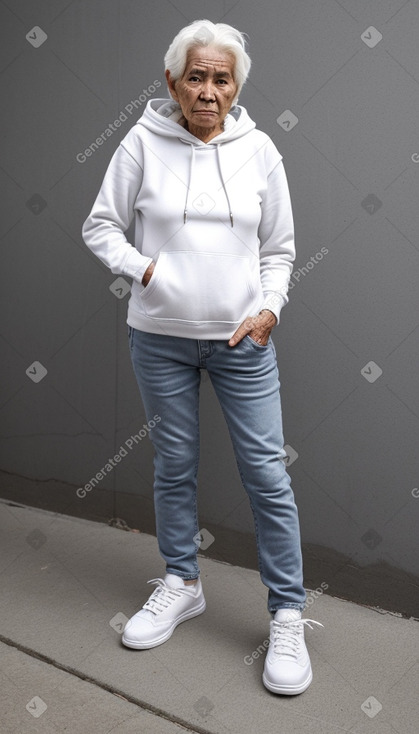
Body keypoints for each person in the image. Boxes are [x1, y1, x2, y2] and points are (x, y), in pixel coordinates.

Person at [82, 18, 322, 695]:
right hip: (158, 338)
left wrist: (269, 308)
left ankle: (286, 613)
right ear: (171, 81)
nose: (207, 90)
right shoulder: (140, 142)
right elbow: (99, 224)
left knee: (267, 476)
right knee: (174, 465)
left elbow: (279, 250)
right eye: (196, 76)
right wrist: (145, 269)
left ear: (236, 85)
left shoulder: (261, 151)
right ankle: (182, 582)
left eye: (220, 78)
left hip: (242, 342)